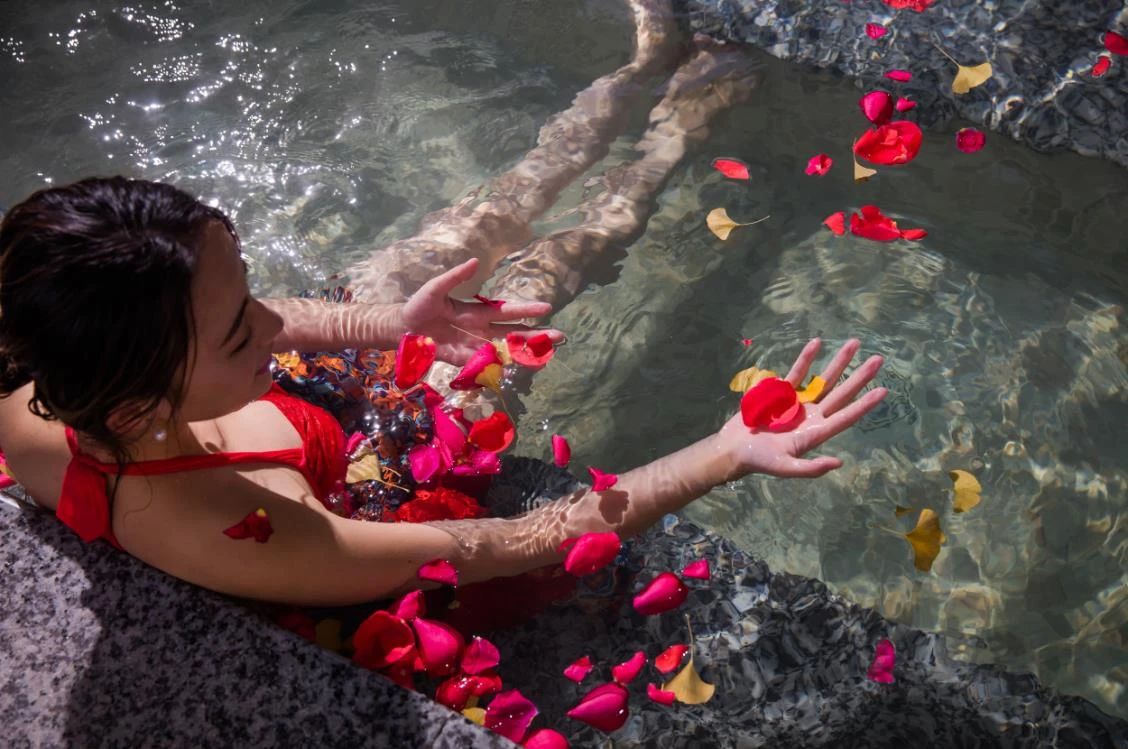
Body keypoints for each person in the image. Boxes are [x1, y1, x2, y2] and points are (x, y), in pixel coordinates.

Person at [0, 175, 885, 609]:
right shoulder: (265, 537)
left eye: (252, 295)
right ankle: (670, 144)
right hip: (372, 474)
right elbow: (523, 537)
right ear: (135, 407)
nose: (275, 322)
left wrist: (384, 324)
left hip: (269, 403)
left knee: (478, 228)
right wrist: (724, 452)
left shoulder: (44, 382)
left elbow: (261, 329)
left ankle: (639, 75)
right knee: (557, 265)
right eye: (242, 329)